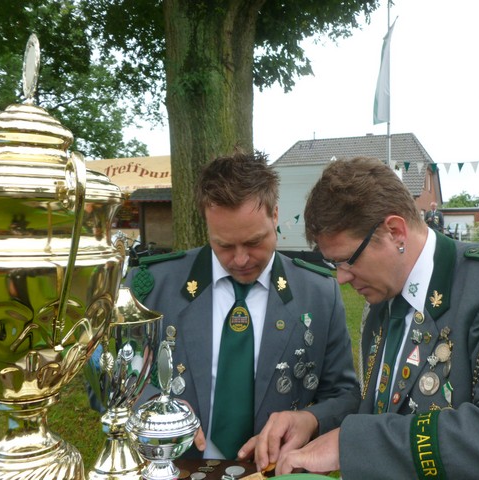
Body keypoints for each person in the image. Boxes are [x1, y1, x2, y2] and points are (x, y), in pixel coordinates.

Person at [264, 157, 479, 479]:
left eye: (347, 260)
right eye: (334, 265)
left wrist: (351, 444)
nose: (342, 278)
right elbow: (389, 400)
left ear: (395, 231)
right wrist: (315, 420)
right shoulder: (383, 300)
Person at [126, 150, 359, 461]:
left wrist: (310, 419)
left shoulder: (319, 293)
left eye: (253, 242)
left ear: (275, 215)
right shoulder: (153, 285)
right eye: (223, 245)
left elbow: (344, 396)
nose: (240, 259)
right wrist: (154, 408)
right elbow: (111, 374)